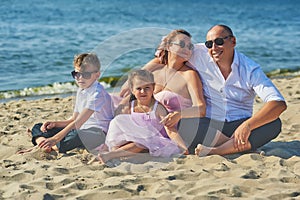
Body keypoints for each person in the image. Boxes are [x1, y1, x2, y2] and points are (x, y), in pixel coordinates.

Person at [121, 25, 287, 156]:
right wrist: (135, 79)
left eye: (219, 41)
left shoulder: (249, 69)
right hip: (208, 124)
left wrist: (247, 126)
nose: (214, 47)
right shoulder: (198, 52)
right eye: (209, 43)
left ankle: (218, 150)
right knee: (184, 123)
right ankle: (238, 146)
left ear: (233, 41)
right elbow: (166, 56)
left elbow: (278, 103)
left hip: (239, 121)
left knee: (274, 123)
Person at [20, 53, 114, 154]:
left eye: (86, 74)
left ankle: (44, 145)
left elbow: (78, 122)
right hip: (79, 128)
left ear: (97, 75)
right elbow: (74, 119)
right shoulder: (81, 90)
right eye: (76, 74)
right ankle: (44, 143)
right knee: (39, 126)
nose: (80, 78)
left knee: (77, 136)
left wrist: (55, 139)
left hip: (98, 133)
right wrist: (55, 124)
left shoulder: (98, 93)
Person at [97, 69, 188, 164]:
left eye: (147, 88)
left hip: (155, 141)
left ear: (153, 87)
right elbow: (125, 128)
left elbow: (170, 129)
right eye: (139, 88)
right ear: (132, 90)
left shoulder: (158, 108)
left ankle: (110, 155)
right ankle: (112, 153)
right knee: (118, 122)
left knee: (141, 143)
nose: (143, 91)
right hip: (137, 139)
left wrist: (182, 147)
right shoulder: (131, 106)